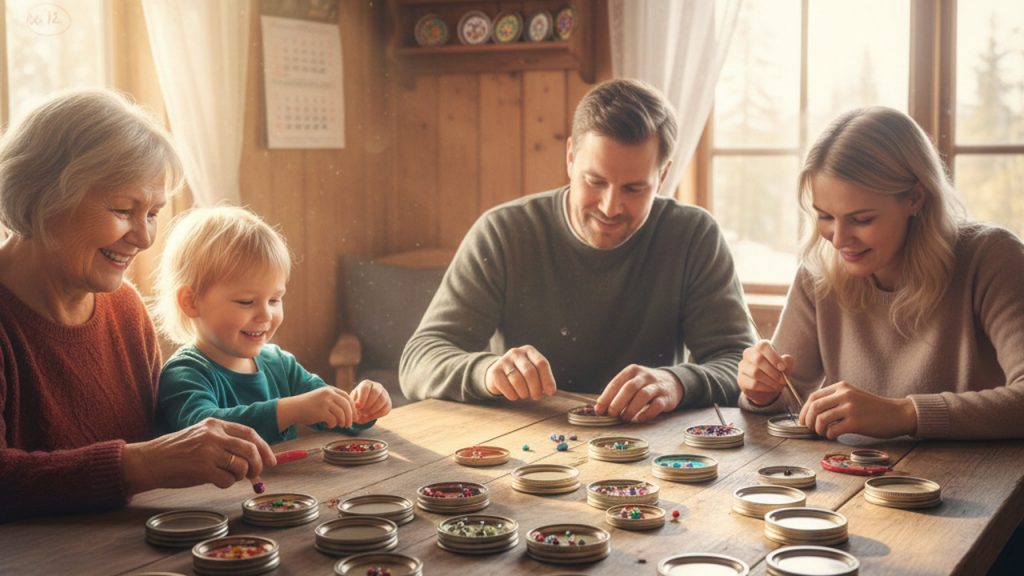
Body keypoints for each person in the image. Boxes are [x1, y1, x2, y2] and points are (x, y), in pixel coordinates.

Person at [400, 79, 755, 421]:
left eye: (633, 189)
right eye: (595, 181)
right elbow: (418, 361)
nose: (610, 207)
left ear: (662, 177)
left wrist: (676, 382)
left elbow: (738, 364)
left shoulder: (694, 236)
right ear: (570, 157)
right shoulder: (503, 232)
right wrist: (488, 371)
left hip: (653, 445)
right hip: (521, 445)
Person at [0, 89, 276, 522]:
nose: (145, 238)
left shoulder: (124, 308)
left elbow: (159, 441)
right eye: (123, 209)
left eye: (152, 214)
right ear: (41, 197)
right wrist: (141, 464)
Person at [737, 107, 1024, 440]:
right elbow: (787, 399)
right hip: (848, 470)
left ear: (915, 198)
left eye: (862, 219)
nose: (839, 240)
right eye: (825, 216)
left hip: (979, 473)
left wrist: (905, 414)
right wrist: (761, 391)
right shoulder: (818, 271)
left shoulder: (991, 258)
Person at [153, 206, 392, 444]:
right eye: (246, 301)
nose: (266, 314)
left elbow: (332, 414)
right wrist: (290, 410)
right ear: (191, 302)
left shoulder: (279, 364)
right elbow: (204, 432)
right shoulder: (184, 374)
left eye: (274, 300)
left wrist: (361, 408)